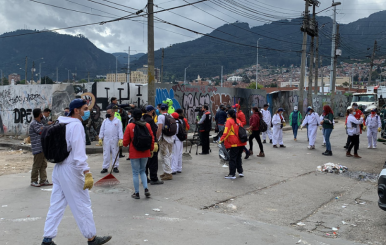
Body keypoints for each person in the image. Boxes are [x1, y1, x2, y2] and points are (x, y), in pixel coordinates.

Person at [41, 99, 112, 245]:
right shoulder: (76, 126)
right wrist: (86, 172)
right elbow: (79, 154)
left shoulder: (61, 123)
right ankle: (91, 238)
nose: (87, 111)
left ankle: (47, 238)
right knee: (82, 203)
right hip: (71, 169)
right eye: (85, 108)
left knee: (56, 204)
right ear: (76, 110)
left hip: (59, 168)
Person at [123, 109, 154, 199]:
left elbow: (125, 142)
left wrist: (123, 144)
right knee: (143, 171)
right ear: (141, 115)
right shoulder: (147, 125)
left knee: (135, 173)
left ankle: (137, 193)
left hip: (134, 152)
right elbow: (151, 137)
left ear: (133, 116)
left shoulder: (130, 126)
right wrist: (151, 149)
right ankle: (146, 189)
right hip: (145, 151)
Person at [219, 109, 246, 179]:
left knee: (232, 158)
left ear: (229, 115)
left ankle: (232, 174)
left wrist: (221, 140)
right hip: (241, 141)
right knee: (238, 158)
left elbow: (226, 132)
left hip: (234, 142)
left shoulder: (229, 121)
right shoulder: (238, 120)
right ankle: (240, 172)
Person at [29, 108, 52, 187]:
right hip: (37, 148)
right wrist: (45, 127)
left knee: (43, 165)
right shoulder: (34, 123)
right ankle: (34, 180)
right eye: (41, 113)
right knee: (37, 165)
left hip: (42, 147)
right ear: (39, 114)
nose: (42, 115)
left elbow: (44, 128)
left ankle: (43, 180)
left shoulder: (40, 122)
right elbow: (40, 131)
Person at [143, 105, 163, 185]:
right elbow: (153, 131)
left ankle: (145, 177)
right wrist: (155, 141)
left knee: (146, 161)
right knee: (153, 161)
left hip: (145, 143)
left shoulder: (143, 118)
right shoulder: (150, 120)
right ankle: (154, 178)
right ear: (152, 111)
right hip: (151, 143)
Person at [98, 109, 123, 174]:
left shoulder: (117, 121)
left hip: (115, 139)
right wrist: (100, 138)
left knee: (115, 153)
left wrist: (121, 139)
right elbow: (102, 130)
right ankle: (105, 167)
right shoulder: (105, 121)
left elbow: (120, 130)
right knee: (106, 154)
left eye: (108, 112)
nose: (107, 114)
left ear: (113, 113)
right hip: (106, 139)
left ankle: (115, 167)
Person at [156, 104, 174, 181]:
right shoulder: (171, 116)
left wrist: (157, 137)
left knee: (164, 155)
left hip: (164, 138)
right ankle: (166, 171)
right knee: (169, 155)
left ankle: (168, 173)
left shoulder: (160, 116)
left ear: (160, 109)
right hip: (171, 138)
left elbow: (159, 128)